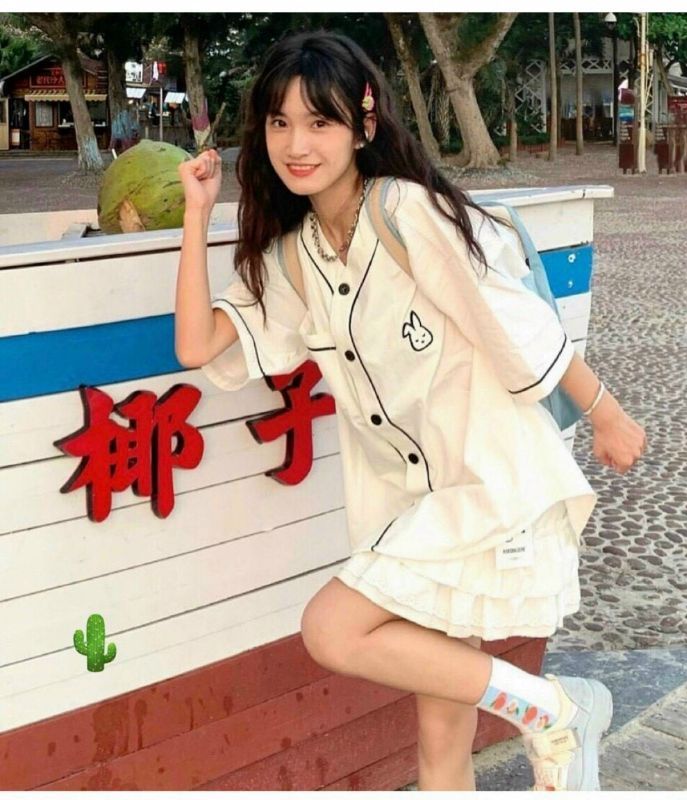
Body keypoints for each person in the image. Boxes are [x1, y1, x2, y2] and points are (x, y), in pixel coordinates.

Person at [175, 30, 647, 791]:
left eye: (320, 122)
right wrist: (198, 213)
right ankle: (556, 714)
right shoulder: (294, 257)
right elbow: (197, 345)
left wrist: (606, 412)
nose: (296, 145)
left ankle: (556, 710)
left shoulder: (405, 212)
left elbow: (510, 323)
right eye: (279, 123)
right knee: (439, 742)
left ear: (363, 126)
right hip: (407, 504)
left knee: (331, 629)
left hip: (482, 482)